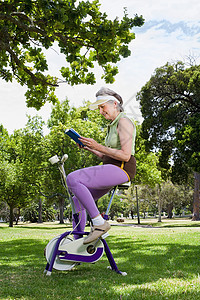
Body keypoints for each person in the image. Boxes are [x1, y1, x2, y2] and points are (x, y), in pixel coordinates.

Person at [66, 87, 136, 244]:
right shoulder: (112, 125)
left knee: (73, 179)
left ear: (115, 104)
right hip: (111, 167)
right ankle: (78, 245)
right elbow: (106, 155)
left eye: (102, 106)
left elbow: (125, 155)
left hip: (122, 168)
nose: (100, 111)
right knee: (77, 201)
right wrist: (90, 148)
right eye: (99, 108)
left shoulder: (124, 122)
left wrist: (97, 146)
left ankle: (99, 223)